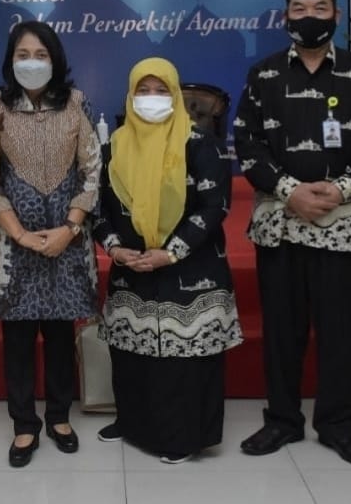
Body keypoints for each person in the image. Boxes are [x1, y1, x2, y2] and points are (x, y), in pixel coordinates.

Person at [232, 0, 351, 468]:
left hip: (342, 224)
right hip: (280, 224)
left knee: (342, 330)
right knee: (283, 330)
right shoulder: (263, 75)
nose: (309, 17)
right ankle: (282, 419)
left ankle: (338, 423)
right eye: (299, 9)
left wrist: (341, 188)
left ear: (336, 14)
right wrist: (290, 192)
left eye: (319, 8)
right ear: (286, 16)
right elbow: (247, 144)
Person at [92, 57, 243, 464]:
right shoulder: (112, 148)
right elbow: (97, 210)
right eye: (143, 91)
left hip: (191, 267)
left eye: (161, 91)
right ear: (130, 96)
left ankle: (183, 437)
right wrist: (114, 248)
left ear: (175, 96)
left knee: (185, 359)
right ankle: (131, 422)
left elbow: (214, 206)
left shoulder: (201, 145)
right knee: (131, 353)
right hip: (132, 268)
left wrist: (171, 251)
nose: (152, 98)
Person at [0, 20, 101, 468]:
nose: (32, 63)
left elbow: (92, 172)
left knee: (62, 335)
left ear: (56, 59)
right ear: (10, 61)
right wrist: (21, 234)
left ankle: (59, 417)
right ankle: (24, 423)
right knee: (18, 339)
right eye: (23, 55)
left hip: (68, 242)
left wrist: (69, 228)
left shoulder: (77, 104)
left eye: (41, 55)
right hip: (14, 247)